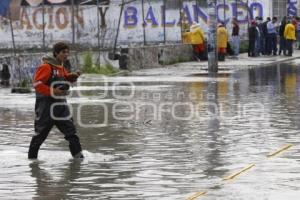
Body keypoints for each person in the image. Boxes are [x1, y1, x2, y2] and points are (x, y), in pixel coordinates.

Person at [28, 42, 84, 159]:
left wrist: (71, 76)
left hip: (61, 107)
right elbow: (37, 84)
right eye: (63, 52)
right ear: (56, 53)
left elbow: (63, 78)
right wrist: (54, 91)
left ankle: (79, 161)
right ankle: (32, 163)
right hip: (46, 109)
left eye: (67, 52)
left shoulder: (60, 67)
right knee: (39, 137)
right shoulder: (46, 67)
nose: (66, 54)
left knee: (72, 134)